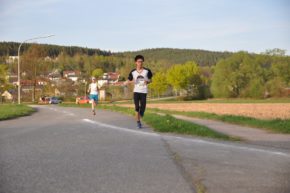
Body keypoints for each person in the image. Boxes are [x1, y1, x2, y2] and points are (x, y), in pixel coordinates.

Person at [124, 55, 153, 128]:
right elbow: (129, 80)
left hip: (144, 91)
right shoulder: (133, 72)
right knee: (137, 107)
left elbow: (150, 80)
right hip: (136, 91)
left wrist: (147, 81)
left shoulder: (147, 71)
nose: (140, 63)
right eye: (139, 62)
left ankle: (141, 114)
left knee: (142, 107)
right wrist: (126, 82)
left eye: (141, 62)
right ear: (136, 62)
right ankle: (138, 122)